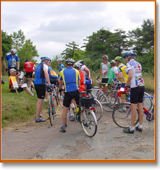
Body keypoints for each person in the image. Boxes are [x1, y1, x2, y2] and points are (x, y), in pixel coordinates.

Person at [122, 51, 145, 134]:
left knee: (133, 107)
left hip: (135, 87)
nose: (125, 59)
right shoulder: (139, 64)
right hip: (141, 85)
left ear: (128, 57)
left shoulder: (129, 64)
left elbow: (130, 76)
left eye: (125, 57)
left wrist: (126, 85)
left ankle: (131, 127)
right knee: (140, 106)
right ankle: (140, 126)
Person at [59, 58, 80, 133]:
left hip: (67, 91)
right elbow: (79, 82)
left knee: (65, 109)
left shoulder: (62, 71)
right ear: (73, 65)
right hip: (76, 90)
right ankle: (81, 117)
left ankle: (63, 125)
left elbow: (60, 82)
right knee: (79, 104)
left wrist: (60, 89)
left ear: (65, 64)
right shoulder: (77, 71)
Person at [34, 57, 52, 123]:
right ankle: (37, 117)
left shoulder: (38, 66)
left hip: (36, 83)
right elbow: (46, 73)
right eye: (49, 61)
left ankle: (38, 114)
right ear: (45, 61)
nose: (49, 63)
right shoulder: (45, 66)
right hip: (41, 84)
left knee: (39, 99)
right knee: (40, 100)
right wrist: (49, 83)